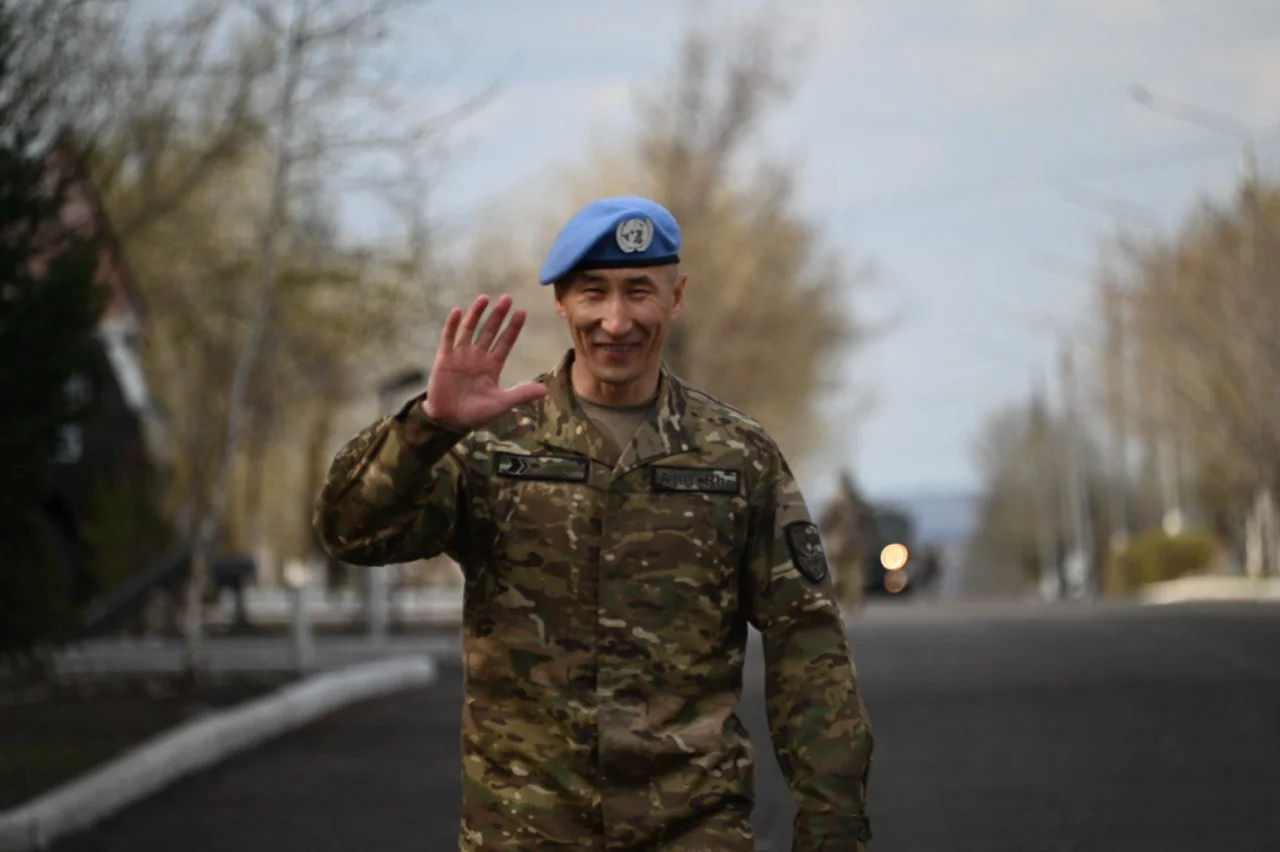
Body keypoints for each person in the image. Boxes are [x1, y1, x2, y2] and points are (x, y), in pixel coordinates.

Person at [314, 196, 874, 851]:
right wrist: (426, 429)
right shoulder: (492, 445)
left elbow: (807, 646)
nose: (616, 321)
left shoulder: (737, 457)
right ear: (561, 302)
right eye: (592, 293)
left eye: (639, 291)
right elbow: (351, 533)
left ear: (676, 297)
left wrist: (833, 824)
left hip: (691, 832)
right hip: (524, 833)